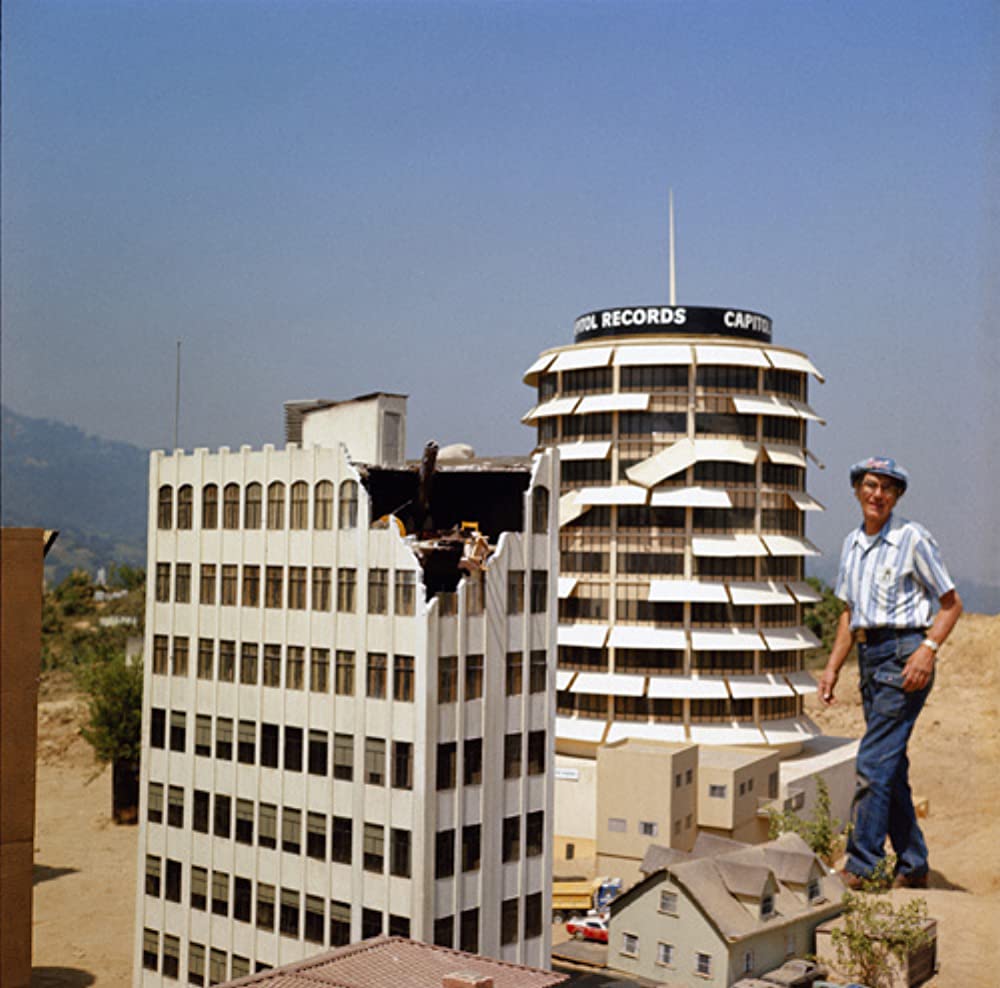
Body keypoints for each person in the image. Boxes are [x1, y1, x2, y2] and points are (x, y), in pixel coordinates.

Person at [819, 456, 962, 890]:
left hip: (904, 657)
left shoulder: (911, 538)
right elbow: (849, 614)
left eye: (886, 488)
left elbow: (951, 604)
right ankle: (914, 864)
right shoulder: (851, 544)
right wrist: (832, 668)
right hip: (869, 658)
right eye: (870, 485)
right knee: (890, 766)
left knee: (871, 762)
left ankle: (862, 864)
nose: (877, 494)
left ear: (896, 496)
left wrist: (927, 650)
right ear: (857, 490)